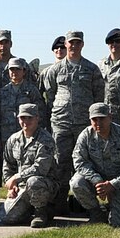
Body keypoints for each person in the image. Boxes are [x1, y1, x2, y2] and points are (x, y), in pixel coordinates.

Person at [41, 31, 105, 214]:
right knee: (61, 163)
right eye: (71, 43)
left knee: (86, 162)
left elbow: (98, 97)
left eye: (78, 43)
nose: (74, 46)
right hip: (61, 123)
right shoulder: (54, 70)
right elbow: (50, 96)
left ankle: (87, 204)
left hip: (84, 125)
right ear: (66, 44)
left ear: (82, 45)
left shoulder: (91, 69)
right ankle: (60, 204)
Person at [70, 103, 120, 227]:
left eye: (102, 118)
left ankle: (115, 208)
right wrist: (97, 180)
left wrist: (113, 184)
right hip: (97, 181)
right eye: (94, 119)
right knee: (76, 183)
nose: (98, 123)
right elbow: (79, 161)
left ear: (110, 117)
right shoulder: (85, 136)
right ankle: (96, 212)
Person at [2, 104, 58, 228]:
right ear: (18, 119)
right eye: (23, 118)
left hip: (44, 184)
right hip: (21, 187)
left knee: (34, 181)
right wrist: (12, 186)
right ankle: (28, 209)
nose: (26, 121)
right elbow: (8, 165)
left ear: (37, 118)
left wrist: (17, 177)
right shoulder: (13, 139)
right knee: (7, 218)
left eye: (29, 118)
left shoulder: (45, 139)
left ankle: (41, 212)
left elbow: (41, 168)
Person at [0, 57, 45, 150]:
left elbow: (40, 113)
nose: (14, 72)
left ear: (24, 71)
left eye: (17, 69)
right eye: (12, 69)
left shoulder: (31, 90)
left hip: (27, 135)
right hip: (6, 136)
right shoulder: (2, 92)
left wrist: (37, 133)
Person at [38, 35, 66, 134]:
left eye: (62, 47)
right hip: (51, 115)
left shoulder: (73, 71)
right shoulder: (45, 73)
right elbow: (38, 94)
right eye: (56, 48)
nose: (59, 50)